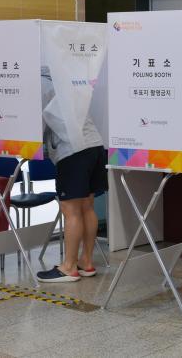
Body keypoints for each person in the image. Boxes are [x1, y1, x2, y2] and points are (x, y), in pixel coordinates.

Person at [36, 66, 107, 283]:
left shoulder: (41, 83)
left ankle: (68, 267)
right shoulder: (68, 77)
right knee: (87, 206)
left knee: (71, 210)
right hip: (95, 145)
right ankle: (86, 262)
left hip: (73, 150)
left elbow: (37, 122)